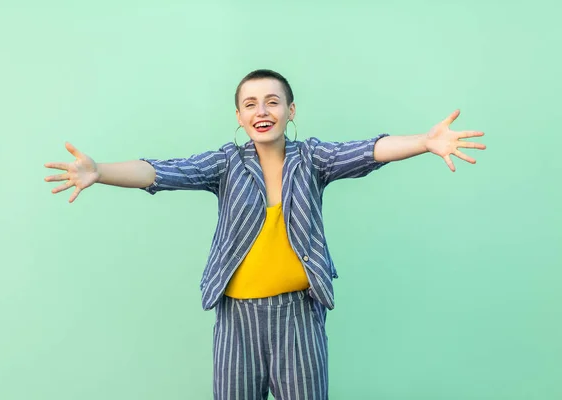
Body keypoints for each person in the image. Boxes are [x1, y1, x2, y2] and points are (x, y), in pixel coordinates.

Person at [44, 69, 486, 399]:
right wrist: (99, 172)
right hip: (236, 319)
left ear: (290, 111)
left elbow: (371, 149)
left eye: (273, 101)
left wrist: (425, 142)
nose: (262, 111)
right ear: (239, 116)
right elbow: (159, 171)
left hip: (298, 314)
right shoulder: (226, 164)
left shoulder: (312, 158)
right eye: (251, 103)